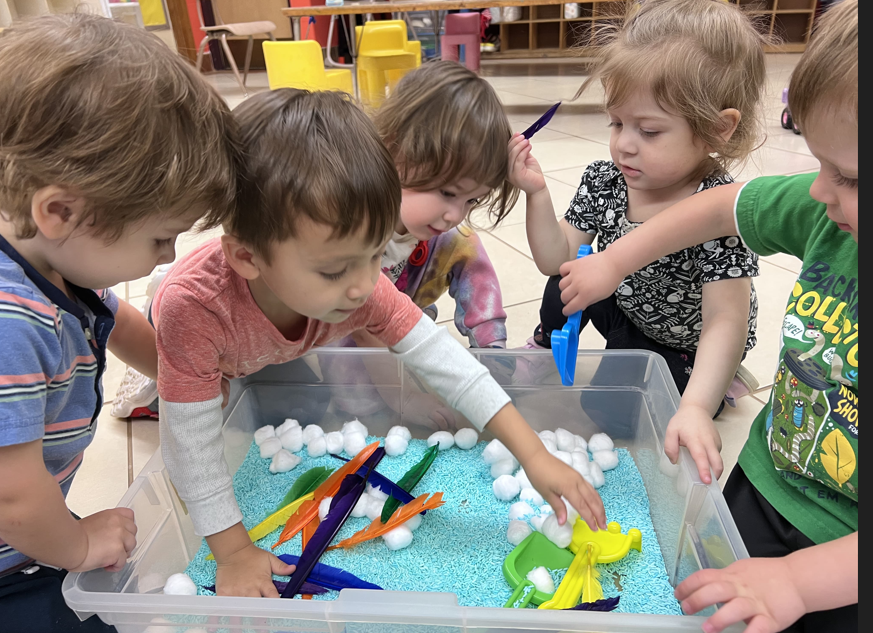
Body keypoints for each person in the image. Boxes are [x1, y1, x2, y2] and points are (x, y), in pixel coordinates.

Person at [153, 89, 607, 598]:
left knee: (291, 395)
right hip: (202, 344)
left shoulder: (359, 282)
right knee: (205, 403)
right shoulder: (195, 309)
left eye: (376, 255)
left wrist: (533, 455)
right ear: (247, 257)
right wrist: (234, 553)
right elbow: (190, 447)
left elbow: (445, 361)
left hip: (266, 345)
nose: (361, 286)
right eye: (334, 270)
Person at [558, 1, 858, 630]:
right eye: (820, 163)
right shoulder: (822, 211)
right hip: (768, 474)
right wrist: (615, 263)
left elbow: (725, 316)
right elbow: (721, 208)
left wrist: (799, 581)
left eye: (849, 178)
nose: (818, 189)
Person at [0, 14, 240, 633]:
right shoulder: (11, 325)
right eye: (161, 238)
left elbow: (119, 319)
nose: (169, 256)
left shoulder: (54, 260)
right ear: (59, 211)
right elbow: (11, 496)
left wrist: (186, 375)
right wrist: (77, 545)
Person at [510, 0, 764, 482]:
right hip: (625, 307)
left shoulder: (720, 210)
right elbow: (555, 258)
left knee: (614, 416)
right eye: (616, 123)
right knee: (565, 281)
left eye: (648, 130)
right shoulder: (606, 180)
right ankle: (545, 344)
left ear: (717, 129)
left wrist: (695, 406)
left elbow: (725, 321)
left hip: (684, 342)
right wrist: (537, 194)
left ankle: (720, 380)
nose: (624, 144)